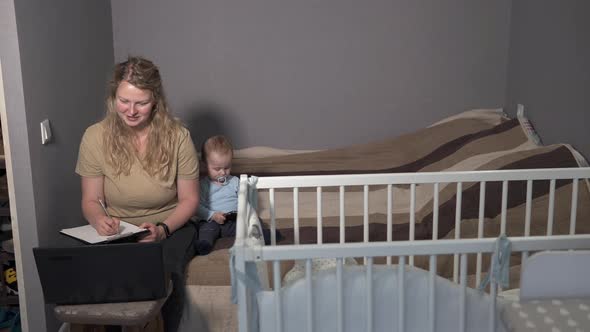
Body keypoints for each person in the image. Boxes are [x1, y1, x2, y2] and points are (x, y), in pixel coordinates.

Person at [75, 56, 199, 332]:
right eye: (124, 101)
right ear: (113, 97)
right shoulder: (94, 137)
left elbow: (190, 199)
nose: (131, 111)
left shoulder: (178, 136)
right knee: (102, 273)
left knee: (167, 271)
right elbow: (91, 199)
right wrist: (98, 221)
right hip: (119, 228)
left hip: (171, 225)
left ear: (155, 101)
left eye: (140, 103)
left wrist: (162, 230)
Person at [194, 135, 238, 255]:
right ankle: (204, 244)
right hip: (212, 221)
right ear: (204, 165)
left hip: (233, 221)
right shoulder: (202, 185)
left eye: (227, 167)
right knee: (206, 230)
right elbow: (197, 207)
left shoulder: (235, 182)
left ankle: (262, 235)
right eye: (217, 168)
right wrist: (212, 215)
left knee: (252, 223)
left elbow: (246, 199)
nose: (223, 172)